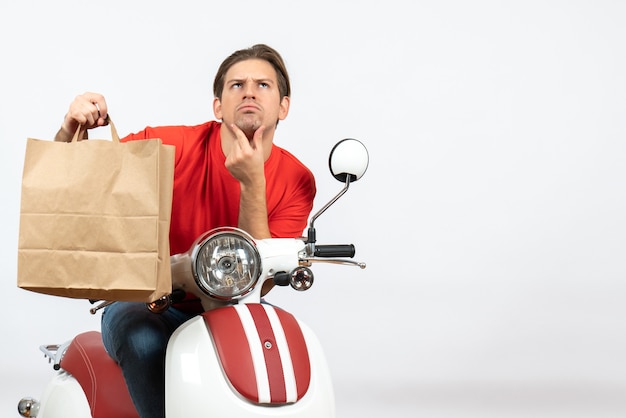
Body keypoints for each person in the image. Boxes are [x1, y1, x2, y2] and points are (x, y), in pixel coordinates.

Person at [54, 44, 316, 418]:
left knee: (280, 344)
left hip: (231, 306)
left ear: (284, 106)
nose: (249, 92)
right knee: (142, 339)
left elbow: (261, 281)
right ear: (218, 106)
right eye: (237, 85)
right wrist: (71, 127)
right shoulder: (173, 147)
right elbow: (79, 178)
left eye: (263, 85)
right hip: (148, 303)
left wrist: (252, 185)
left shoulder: (297, 180)